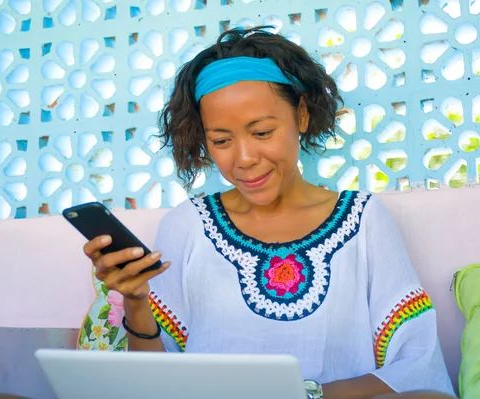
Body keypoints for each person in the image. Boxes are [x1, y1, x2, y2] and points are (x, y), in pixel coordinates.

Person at [84, 27, 456, 399]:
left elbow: (417, 366)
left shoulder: (363, 219)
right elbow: (153, 385)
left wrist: (306, 394)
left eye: (261, 132)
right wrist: (135, 300)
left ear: (302, 116)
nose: (244, 159)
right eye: (221, 141)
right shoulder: (188, 225)